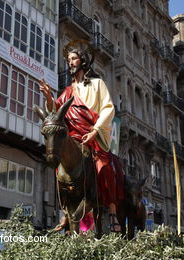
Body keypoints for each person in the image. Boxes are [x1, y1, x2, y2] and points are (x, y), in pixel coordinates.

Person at [40, 40, 124, 232]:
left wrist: (95, 131)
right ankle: (65, 214)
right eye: (68, 59)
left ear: (83, 60)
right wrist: (48, 98)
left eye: (73, 58)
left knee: (104, 167)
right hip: (74, 138)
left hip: (93, 137)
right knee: (61, 168)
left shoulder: (97, 84)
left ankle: (112, 213)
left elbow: (108, 108)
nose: (70, 62)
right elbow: (57, 111)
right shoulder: (68, 91)